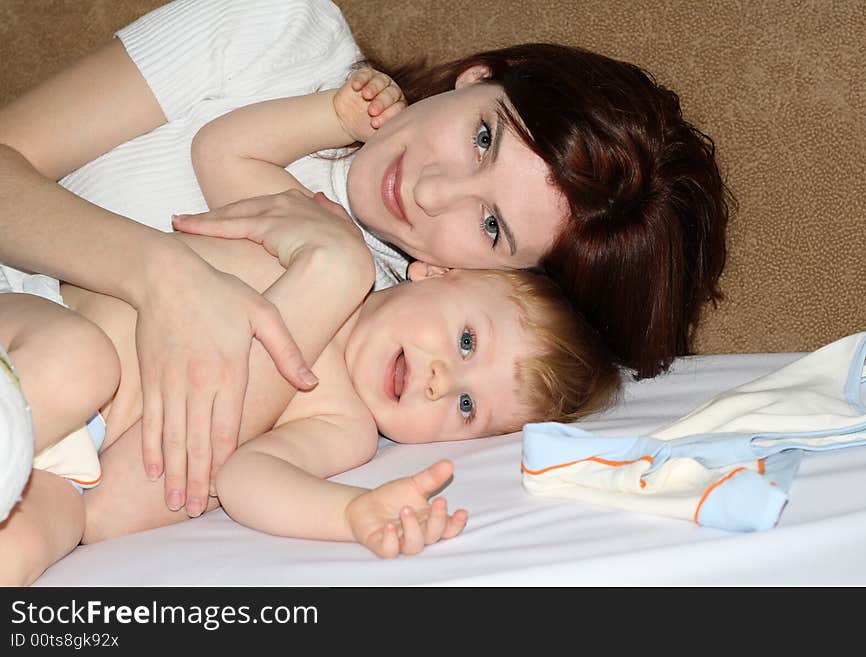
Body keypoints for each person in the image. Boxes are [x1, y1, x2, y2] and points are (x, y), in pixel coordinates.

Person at [0, 0, 730, 520]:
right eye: (484, 138)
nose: (429, 188)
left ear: (497, 277)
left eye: (491, 225)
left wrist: (333, 273)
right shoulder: (276, 31)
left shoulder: (377, 343)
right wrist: (161, 273)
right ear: (478, 77)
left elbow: (181, 473)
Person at [0, 175, 620, 584]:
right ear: (435, 273)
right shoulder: (320, 242)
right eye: (466, 342)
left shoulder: (346, 428)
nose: (438, 380)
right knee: (80, 363)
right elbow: (222, 152)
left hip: (63, 471)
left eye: (465, 405)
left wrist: (351, 512)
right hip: (35, 331)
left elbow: (247, 479)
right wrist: (332, 114)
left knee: (33, 544)